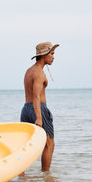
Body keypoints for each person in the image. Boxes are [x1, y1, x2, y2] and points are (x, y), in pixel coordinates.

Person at [20, 41, 59, 171]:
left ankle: (21, 176)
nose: (53, 57)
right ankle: (46, 177)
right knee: (49, 144)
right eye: (52, 54)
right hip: (38, 109)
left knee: (25, 144)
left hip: (26, 109)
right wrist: (39, 117)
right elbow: (36, 96)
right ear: (44, 55)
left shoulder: (28, 71)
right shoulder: (38, 73)